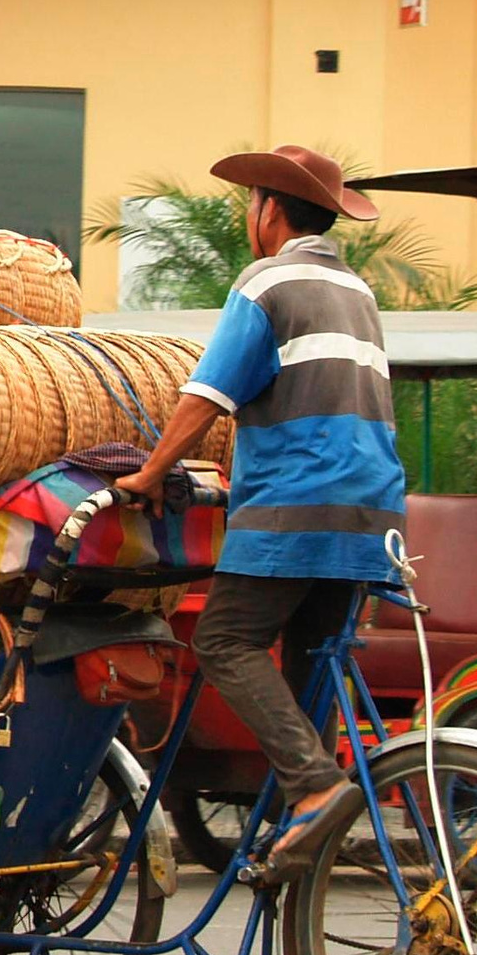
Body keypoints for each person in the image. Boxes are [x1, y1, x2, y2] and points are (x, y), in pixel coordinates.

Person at [115, 145, 406, 879]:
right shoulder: (357, 291)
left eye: (251, 204)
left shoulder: (269, 280)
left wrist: (151, 473)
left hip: (296, 506)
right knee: (312, 676)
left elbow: (207, 395)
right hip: (371, 513)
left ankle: (313, 789)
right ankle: (298, 863)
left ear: (269, 211)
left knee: (224, 640)